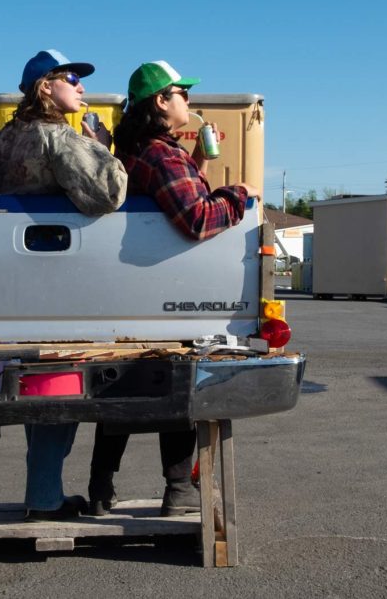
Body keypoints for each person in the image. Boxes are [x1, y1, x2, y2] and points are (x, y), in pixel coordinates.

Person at [87, 60, 260, 517]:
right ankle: (178, 490)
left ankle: (100, 489)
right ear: (161, 101)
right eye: (182, 91)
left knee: (119, 392)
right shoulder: (160, 155)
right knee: (178, 387)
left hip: (128, 293)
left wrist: (199, 165)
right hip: (165, 293)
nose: (189, 99)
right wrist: (237, 196)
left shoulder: (136, 150)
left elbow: (169, 202)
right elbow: (196, 219)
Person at [0, 49, 128, 521]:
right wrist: (103, 147)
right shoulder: (58, 136)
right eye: (72, 79)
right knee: (58, 384)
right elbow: (106, 194)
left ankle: (43, 490)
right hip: (59, 277)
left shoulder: (3, 140)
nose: (81, 88)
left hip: (11, 279)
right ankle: (44, 498)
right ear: (46, 86)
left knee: (37, 383)